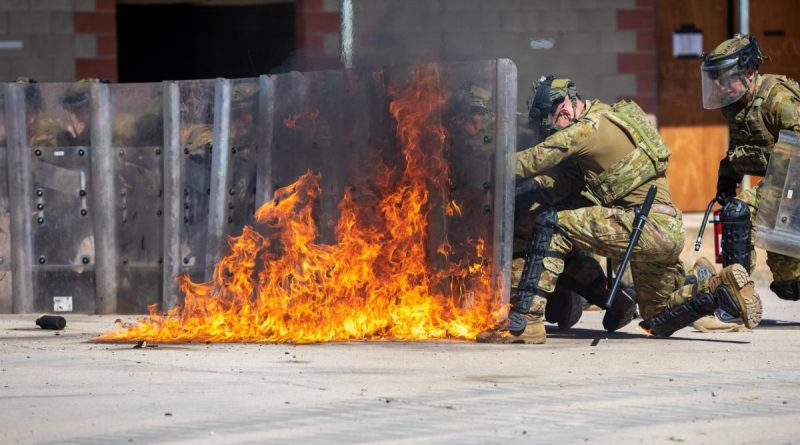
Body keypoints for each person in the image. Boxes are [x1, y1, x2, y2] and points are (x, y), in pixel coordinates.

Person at [477, 76, 762, 343]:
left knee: (552, 224)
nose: (553, 130)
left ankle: (526, 322)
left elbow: (530, 160)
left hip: (644, 225)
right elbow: (566, 180)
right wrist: (534, 187)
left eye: (551, 123)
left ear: (562, 108)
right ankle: (718, 288)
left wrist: (476, 164)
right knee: (658, 317)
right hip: (666, 227)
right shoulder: (615, 116)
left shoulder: (585, 130)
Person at [702, 34, 800, 304]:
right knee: (788, 285)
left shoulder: (777, 100)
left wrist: (783, 199)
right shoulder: (735, 108)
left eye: (726, 77)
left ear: (749, 70)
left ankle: (734, 301)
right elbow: (740, 146)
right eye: (717, 78)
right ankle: (737, 296)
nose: (721, 85)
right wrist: (727, 179)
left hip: (792, 180)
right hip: (779, 182)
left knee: (738, 213)